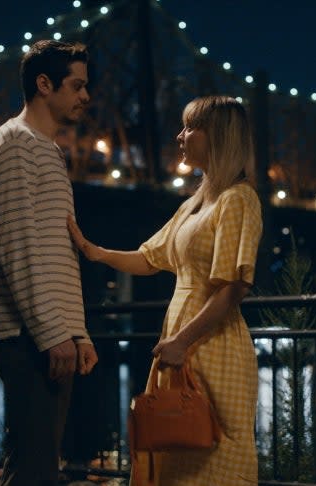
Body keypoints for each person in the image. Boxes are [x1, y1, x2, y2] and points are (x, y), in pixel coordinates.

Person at [68, 95, 262, 485]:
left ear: (219, 138)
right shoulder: (195, 204)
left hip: (212, 344)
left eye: (191, 128)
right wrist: (96, 252)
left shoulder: (239, 199)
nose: (180, 136)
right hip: (180, 343)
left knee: (215, 453)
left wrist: (180, 341)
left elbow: (233, 288)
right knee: (175, 448)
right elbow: (149, 258)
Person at [0, 39, 99, 486]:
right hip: (28, 337)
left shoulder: (47, 149)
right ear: (44, 84)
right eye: (77, 85)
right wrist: (54, 333)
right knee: (31, 473)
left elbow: (58, 254)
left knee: (39, 467)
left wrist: (78, 331)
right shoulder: (14, 143)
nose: (86, 96)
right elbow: (19, 249)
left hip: (47, 335)